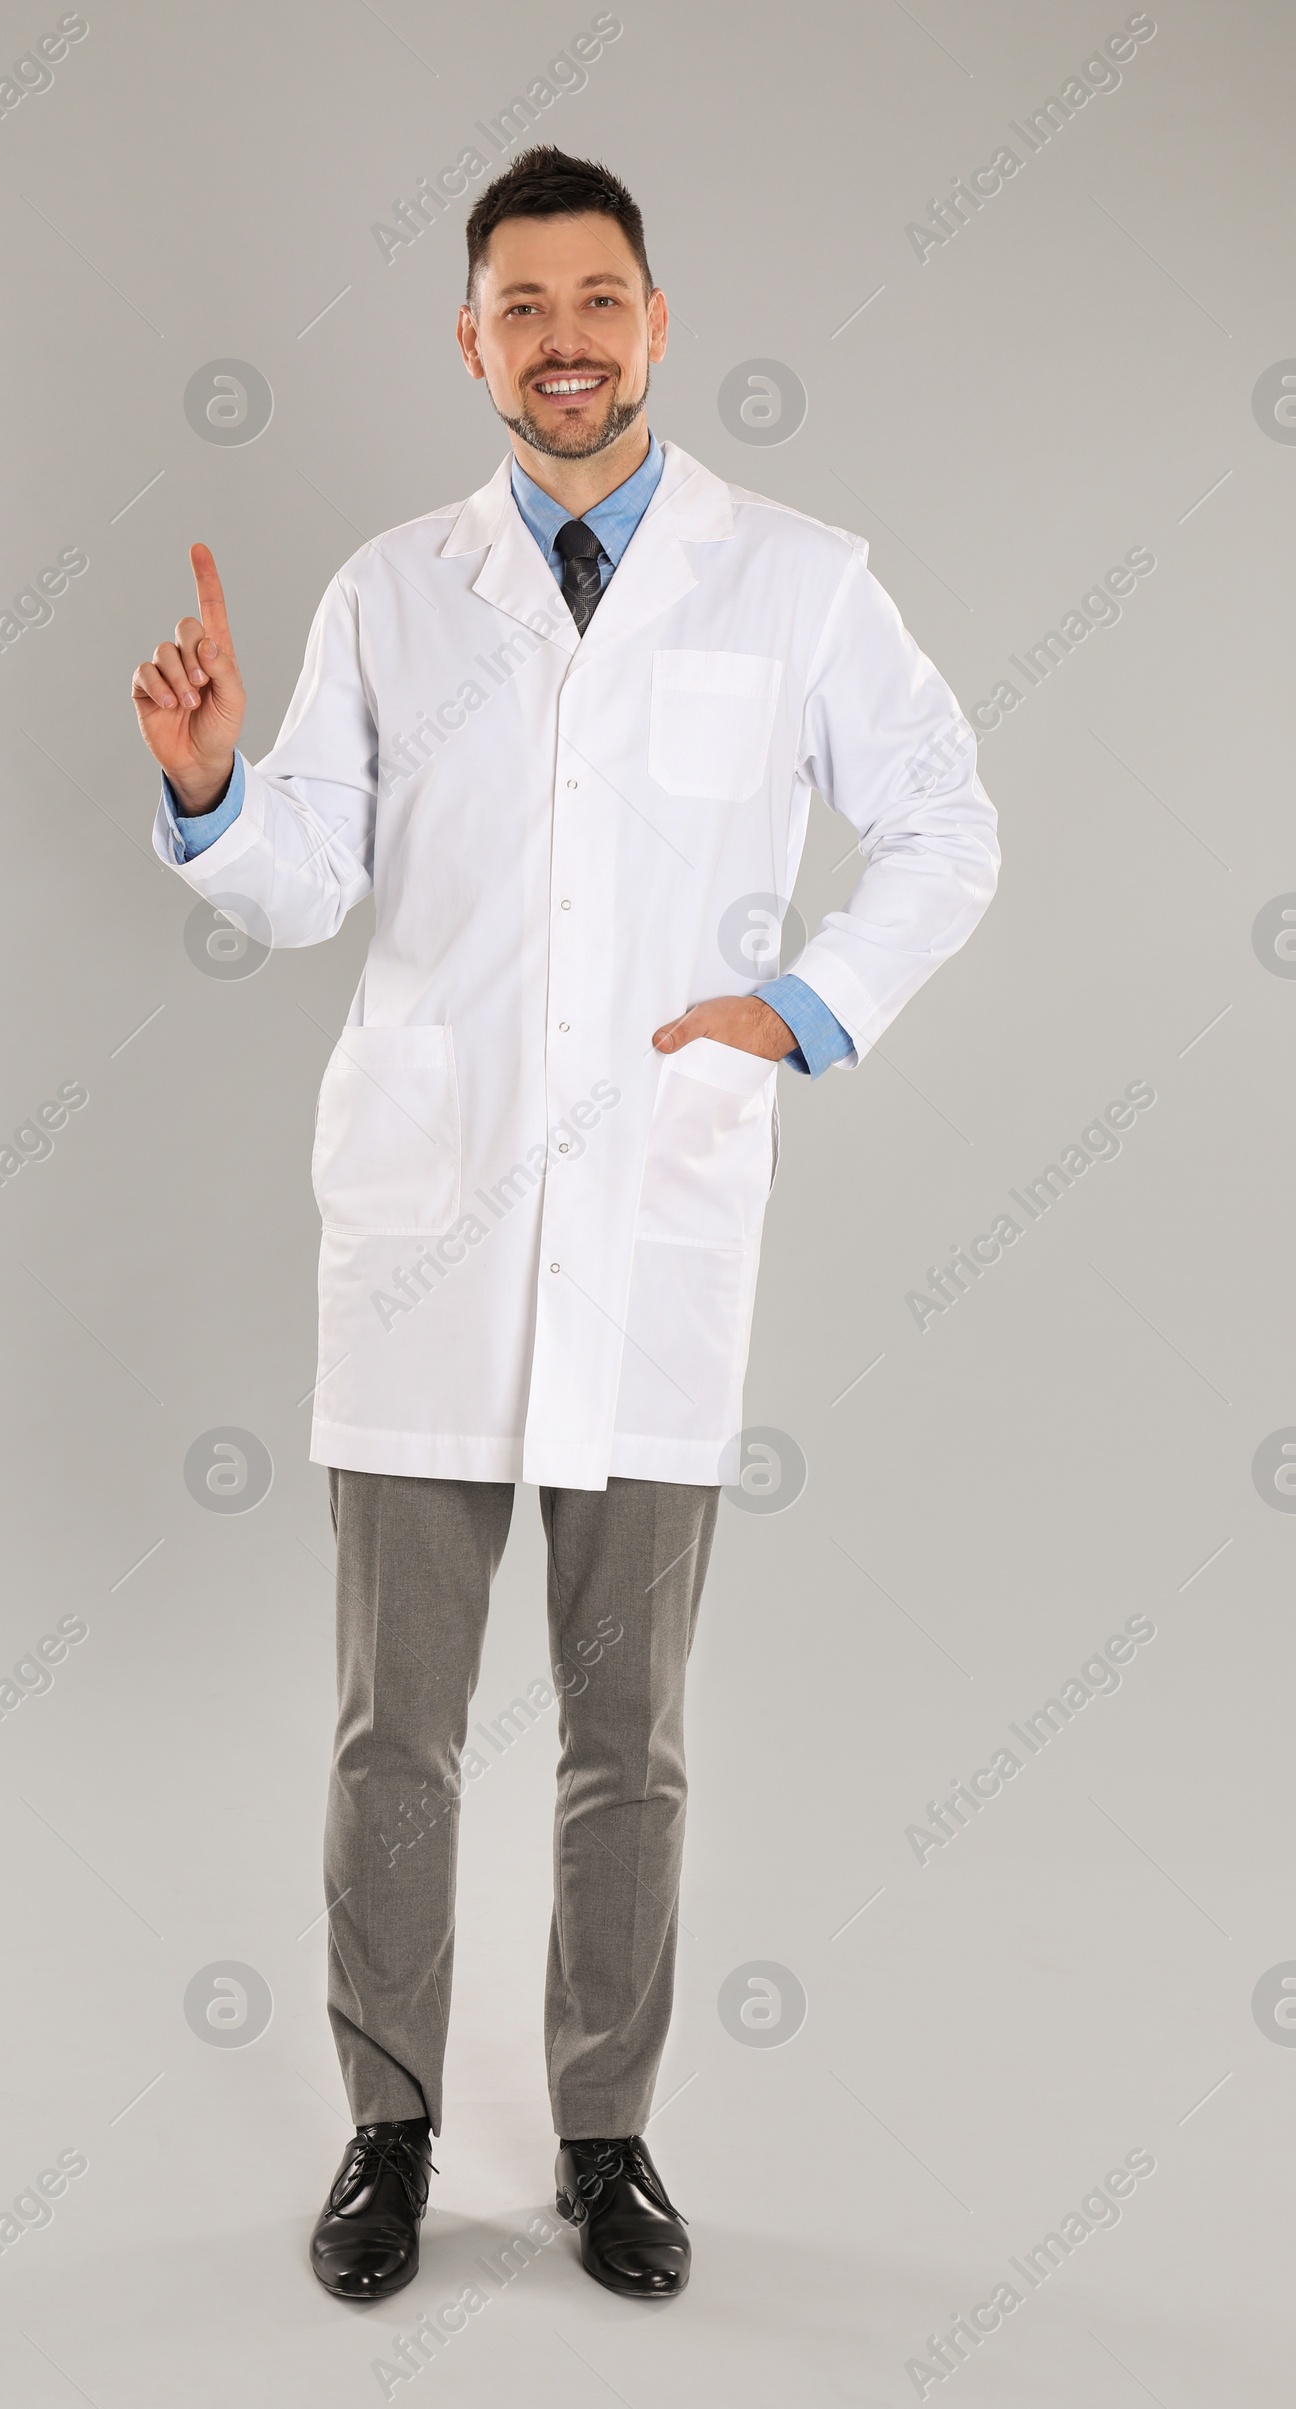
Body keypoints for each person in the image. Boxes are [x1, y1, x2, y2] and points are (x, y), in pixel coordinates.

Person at [131, 146, 998, 2304]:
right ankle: (387, 2128)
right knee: (389, 1729)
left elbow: (943, 819)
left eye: (596, 296)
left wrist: (801, 1007)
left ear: (655, 319)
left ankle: (605, 2132)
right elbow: (305, 882)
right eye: (520, 306)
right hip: (423, 1233)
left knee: (630, 1735)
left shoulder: (790, 579)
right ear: (468, 341)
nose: (564, 338)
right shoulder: (388, 594)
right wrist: (219, 787)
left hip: (658, 1231)